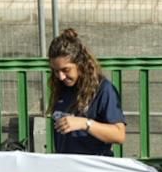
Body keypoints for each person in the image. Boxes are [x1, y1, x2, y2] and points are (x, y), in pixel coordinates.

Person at [47, 28, 126, 157]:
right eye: (56, 71)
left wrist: (85, 124)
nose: (60, 76)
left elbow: (119, 134)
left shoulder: (103, 89)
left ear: (80, 64)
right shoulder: (61, 87)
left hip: (94, 170)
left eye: (66, 70)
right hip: (66, 168)